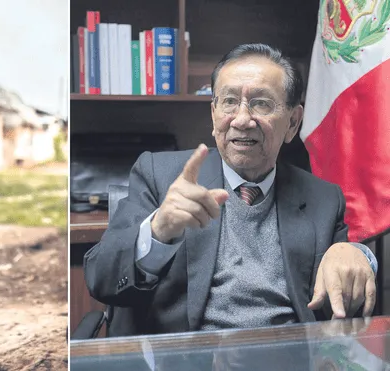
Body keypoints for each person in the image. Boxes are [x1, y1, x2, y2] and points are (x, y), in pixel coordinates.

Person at [84, 44, 378, 339]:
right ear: (214, 115)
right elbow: (101, 278)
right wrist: (158, 231)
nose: (241, 120)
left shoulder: (324, 198)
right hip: (186, 359)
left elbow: (344, 279)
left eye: (261, 103)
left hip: (290, 356)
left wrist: (359, 254)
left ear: (292, 122)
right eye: (229, 101)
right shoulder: (159, 175)